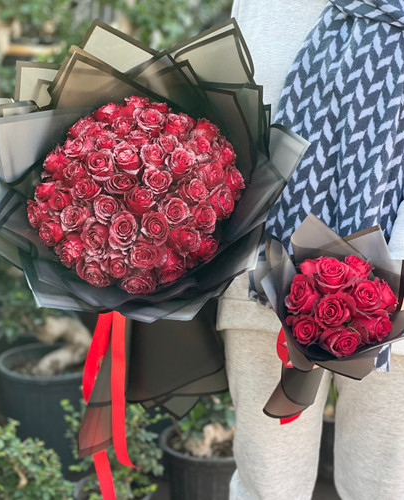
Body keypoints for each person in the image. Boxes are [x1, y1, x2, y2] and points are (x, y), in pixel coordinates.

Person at [218, 1, 404, 499]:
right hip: (265, 271)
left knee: (387, 483)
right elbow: (234, 112)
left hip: (399, 287)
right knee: (267, 481)